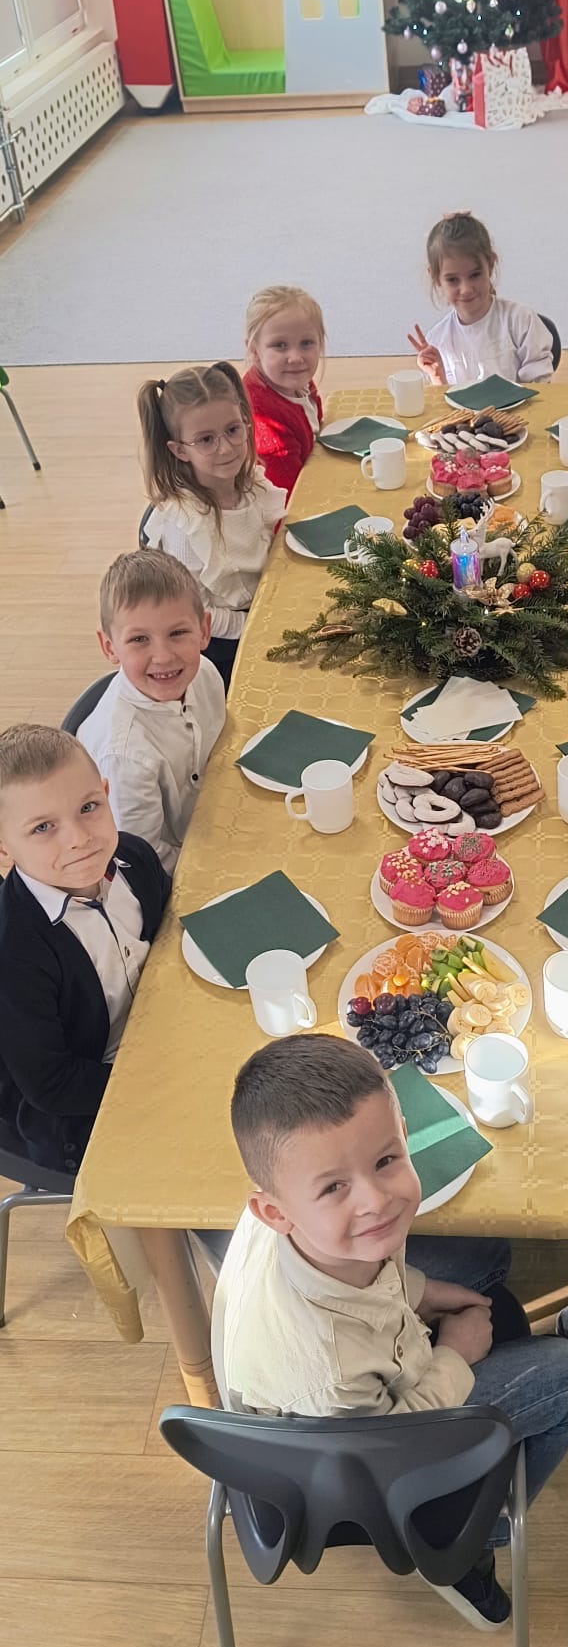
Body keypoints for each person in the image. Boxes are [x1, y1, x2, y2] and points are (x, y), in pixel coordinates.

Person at [214, 1035, 568, 1629]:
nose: (377, 1200)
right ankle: (472, 1543)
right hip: (361, 1464)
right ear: (275, 1212)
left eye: (386, 1160)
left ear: (403, 1135)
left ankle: (476, 1478)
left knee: (488, 1264)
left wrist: (426, 1292)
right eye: (334, 1187)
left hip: (367, 1378)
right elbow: (392, 1447)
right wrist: (455, 1354)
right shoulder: (327, 1366)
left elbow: (380, 1271)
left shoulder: (325, 1231)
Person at [0, 724, 170, 1173]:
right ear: (3, 850)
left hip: (158, 1031)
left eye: (88, 807)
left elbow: (171, 931)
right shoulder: (13, 954)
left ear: (107, 795)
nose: (78, 838)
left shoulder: (134, 858)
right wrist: (160, 1083)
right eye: (43, 827)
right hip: (83, 1110)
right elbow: (51, 1084)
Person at [139, 361, 285, 689]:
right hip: (221, 645)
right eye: (205, 439)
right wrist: (258, 626)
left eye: (233, 430)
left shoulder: (251, 484)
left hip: (262, 606)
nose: (226, 448)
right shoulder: (185, 528)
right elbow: (195, 615)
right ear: (179, 451)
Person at [77, 550, 225, 875]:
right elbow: (143, 859)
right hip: (173, 868)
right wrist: (220, 859)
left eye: (177, 633)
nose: (163, 656)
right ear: (109, 648)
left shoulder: (205, 672)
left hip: (214, 813)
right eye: (139, 639)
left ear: (204, 630)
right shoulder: (125, 756)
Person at [408, 211, 554, 389]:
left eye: (475, 275)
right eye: (453, 280)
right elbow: (446, 400)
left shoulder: (521, 320)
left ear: (490, 265)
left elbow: (542, 389)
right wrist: (438, 377)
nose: (466, 289)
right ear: (436, 278)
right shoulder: (437, 339)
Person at [242, 285, 326, 502]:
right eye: (280, 345)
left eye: (306, 343)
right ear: (254, 351)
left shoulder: (295, 381)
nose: (296, 357)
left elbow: (314, 421)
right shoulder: (263, 419)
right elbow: (289, 498)